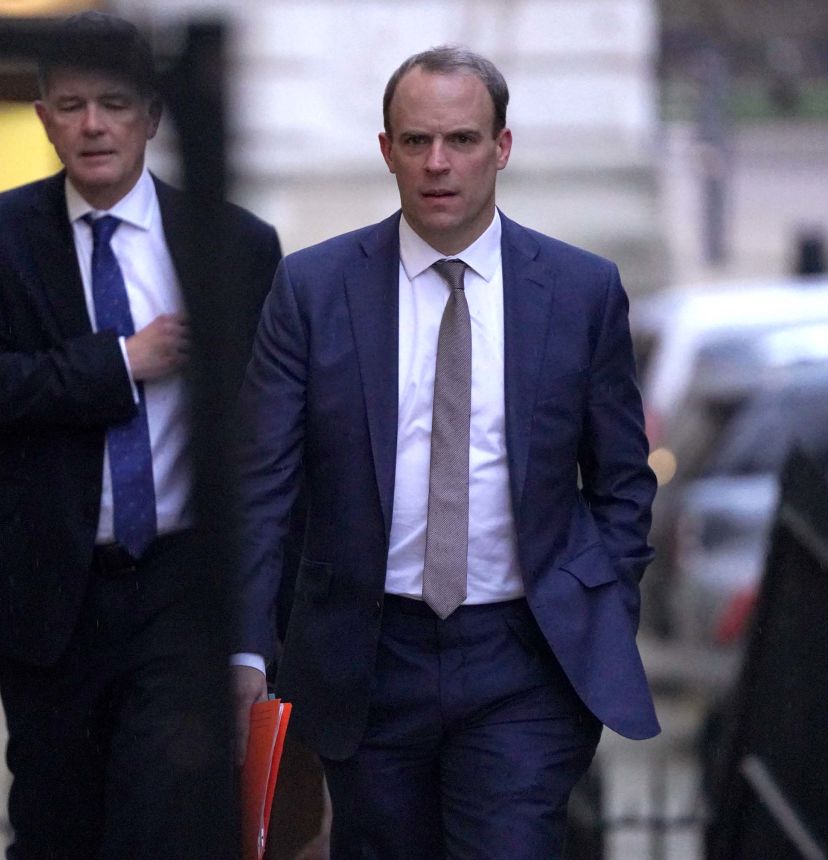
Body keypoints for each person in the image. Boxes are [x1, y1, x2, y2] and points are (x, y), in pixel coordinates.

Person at [232, 45, 660, 857]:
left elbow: (622, 481)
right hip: (366, 656)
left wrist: (597, 600)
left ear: (500, 147)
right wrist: (246, 645)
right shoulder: (314, 290)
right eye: (417, 141)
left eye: (461, 140)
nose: (438, 164)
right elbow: (262, 488)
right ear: (386, 150)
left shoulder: (580, 291)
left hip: (523, 659)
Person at [0, 11, 282, 857]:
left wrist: (257, 631)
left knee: (164, 817)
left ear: (153, 116)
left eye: (114, 104)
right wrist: (120, 361)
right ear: (41, 116)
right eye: (71, 104)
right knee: (56, 824)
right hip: (55, 581)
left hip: (180, 585)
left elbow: (268, 433)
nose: (92, 126)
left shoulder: (232, 245)